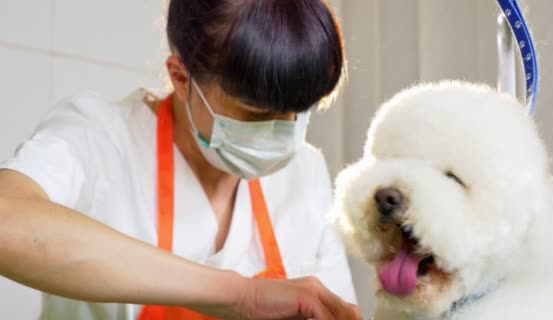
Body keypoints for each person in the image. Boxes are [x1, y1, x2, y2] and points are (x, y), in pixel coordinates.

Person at [0, 0, 359, 319]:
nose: (284, 132)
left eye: (299, 112)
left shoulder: (305, 172)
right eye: (255, 114)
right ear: (181, 77)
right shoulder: (99, 137)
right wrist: (239, 296)